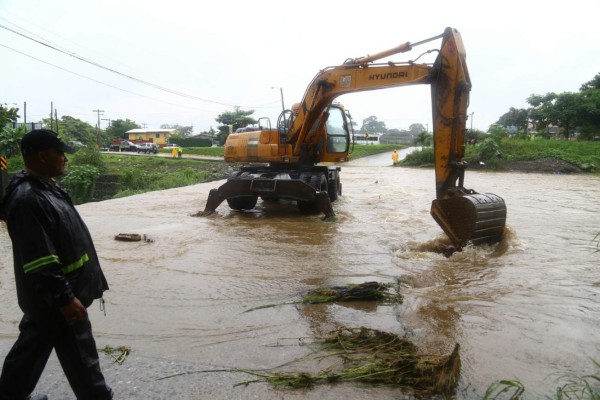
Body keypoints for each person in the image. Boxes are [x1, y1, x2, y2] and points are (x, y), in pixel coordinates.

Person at [0, 129, 112, 400]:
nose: (65, 159)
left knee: (31, 351)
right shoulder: (27, 199)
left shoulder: (46, 187)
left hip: (53, 298)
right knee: (82, 359)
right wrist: (65, 298)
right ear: (41, 156)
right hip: (59, 299)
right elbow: (40, 258)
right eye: (60, 153)